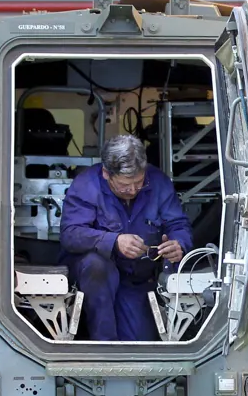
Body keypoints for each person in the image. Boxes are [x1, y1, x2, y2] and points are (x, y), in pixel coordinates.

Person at [58, 134, 193, 341]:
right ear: (106, 174)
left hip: (137, 279)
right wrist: (113, 242)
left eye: (139, 183)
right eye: (124, 185)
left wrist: (179, 244)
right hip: (94, 279)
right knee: (96, 265)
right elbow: (70, 234)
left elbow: (178, 225)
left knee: (140, 345)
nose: (133, 190)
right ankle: (101, 350)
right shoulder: (86, 186)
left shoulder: (158, 182)